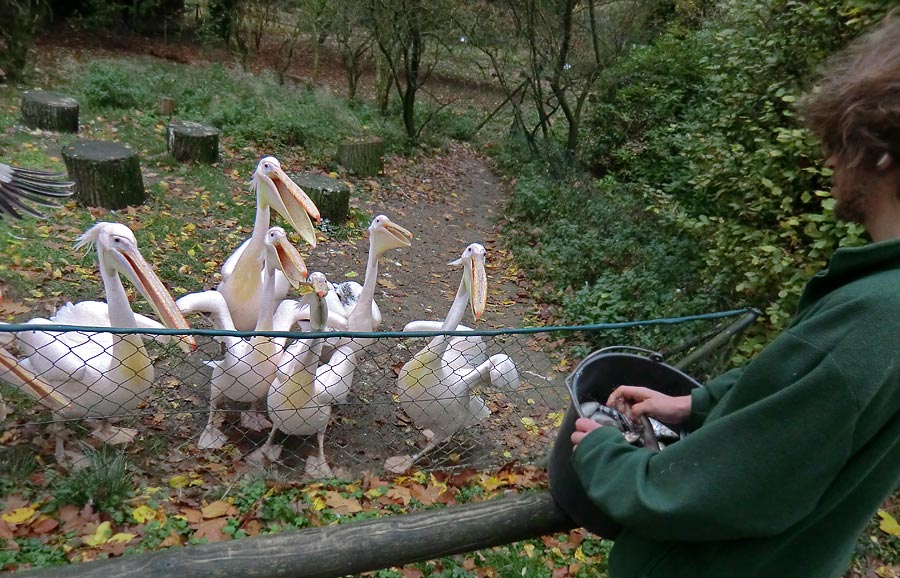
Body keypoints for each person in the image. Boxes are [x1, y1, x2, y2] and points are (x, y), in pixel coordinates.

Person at [569, 11, 900, 578]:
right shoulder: (880, 302)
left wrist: (603, 454)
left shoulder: (874, 316)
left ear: (884, 146)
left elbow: (711, 492)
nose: (827, 162)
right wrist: (694, 404)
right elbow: (800, 397)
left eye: (839, 142)